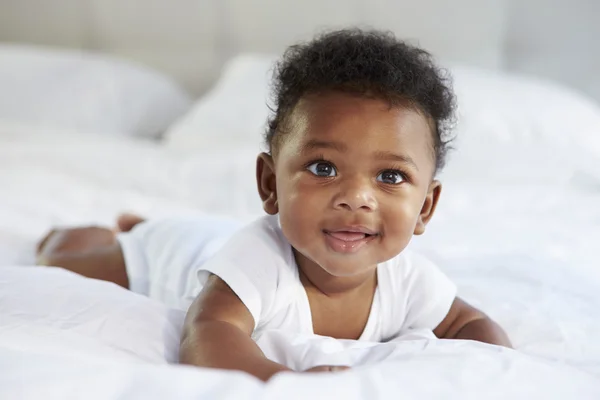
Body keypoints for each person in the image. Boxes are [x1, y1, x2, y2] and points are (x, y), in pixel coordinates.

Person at [37, 29, 512, 382]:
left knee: (199, 232)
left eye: (390, 176)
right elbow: (208, 333)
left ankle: (146, 223)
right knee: (63, 262)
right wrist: (281, 380)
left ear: (426, 208)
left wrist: (488, 372)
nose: (355, 197)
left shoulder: (408, 281)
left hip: (213, 237)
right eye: (324, 167)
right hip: (174, 254)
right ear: (270, 183)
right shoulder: (257, 261)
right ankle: (105, 232)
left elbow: (470, 324)